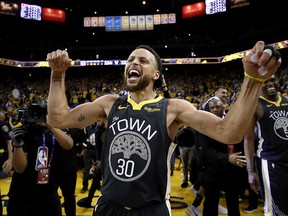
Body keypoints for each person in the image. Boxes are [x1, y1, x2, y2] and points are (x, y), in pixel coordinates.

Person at [46, 41, 281, 216]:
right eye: (130, 59)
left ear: (156, 74)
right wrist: (57, 76)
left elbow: (228, 132)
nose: (134, 63)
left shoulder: (173, 108)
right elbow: (58, 119)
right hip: (108, 207)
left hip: (151, 208)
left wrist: (252, 79)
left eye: (143, 61)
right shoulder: (109, 103)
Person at [187, 98, 247, 216]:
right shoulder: (203, 125)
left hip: (231, 170)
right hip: (212, 170)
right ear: (208, 110)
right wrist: (227, 158)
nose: (215, 110)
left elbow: (240, 143)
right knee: (210, 204)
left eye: (217, 107)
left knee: (233, 204)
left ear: (223, 107)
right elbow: (206, 151)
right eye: (212, 108)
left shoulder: (232, 122)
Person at [7, 112, 74, 216]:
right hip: (23, 194)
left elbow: (68, 144)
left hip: (49, 192)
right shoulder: (25, 132)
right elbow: (20, 168)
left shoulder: (56, 131)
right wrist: (17, 144)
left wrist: (49, 125)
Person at [244, 74, 288, 215]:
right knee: (274, 209)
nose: (270, 84)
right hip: (270, 162)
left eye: (273, 80)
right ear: (259, 85)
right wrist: (250, 171)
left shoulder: (286, 100)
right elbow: (248, 139)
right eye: (265, 81)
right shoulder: (255, 106)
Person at [80, 120, 106, 193]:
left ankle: (97, 185)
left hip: (96, 150)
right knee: (86, 169)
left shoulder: (100, 126)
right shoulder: (86, 126)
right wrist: (83, 148)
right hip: (87, 150)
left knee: (97, 169)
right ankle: (85, 186)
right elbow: (82, 137)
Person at [0, 110, 13, 179]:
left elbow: (9, 142)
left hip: (2, 158)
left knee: (3, 175)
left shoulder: (3, 125)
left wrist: (10, 160)